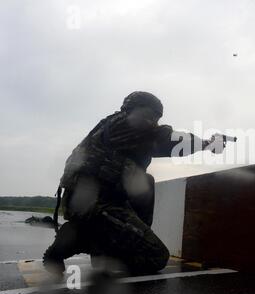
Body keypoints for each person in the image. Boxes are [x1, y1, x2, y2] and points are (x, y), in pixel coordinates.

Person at [43, 91, 225, 276]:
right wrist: (208, 144)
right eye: (153, 115)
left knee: (145, 181)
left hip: (100, 200)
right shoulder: (127, 125)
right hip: (95, 205)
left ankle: (101, 249)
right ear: (139, 109)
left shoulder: (114, 127)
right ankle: (75, 239)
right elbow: (167, 140)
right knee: (156, 257)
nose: (154, 121)